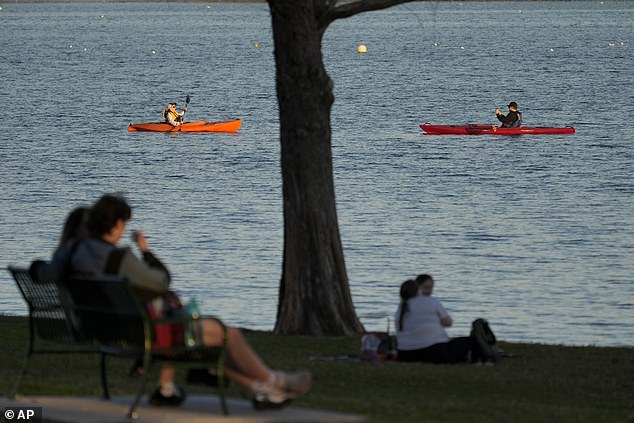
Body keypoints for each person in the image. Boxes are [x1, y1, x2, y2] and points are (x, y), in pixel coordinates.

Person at [36, 194, 312, 409]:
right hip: (140, 337)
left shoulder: (73, 251)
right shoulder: (119, 259)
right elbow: (161, 280)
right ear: (118, 224)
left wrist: (34, 267)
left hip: (105, 332)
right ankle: (274, 383)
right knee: (228, 334)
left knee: (191, 327)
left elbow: (45, 273)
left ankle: (260, 389)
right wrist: (146, 252)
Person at [395, 274, 479, 363]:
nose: (430, 291)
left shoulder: (401, 308)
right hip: (434, 353)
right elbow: (448, 322)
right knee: (471, 341)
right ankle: (480, 361)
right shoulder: (431, 302)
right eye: (426, 288)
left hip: (404, 355)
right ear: (418, 289)